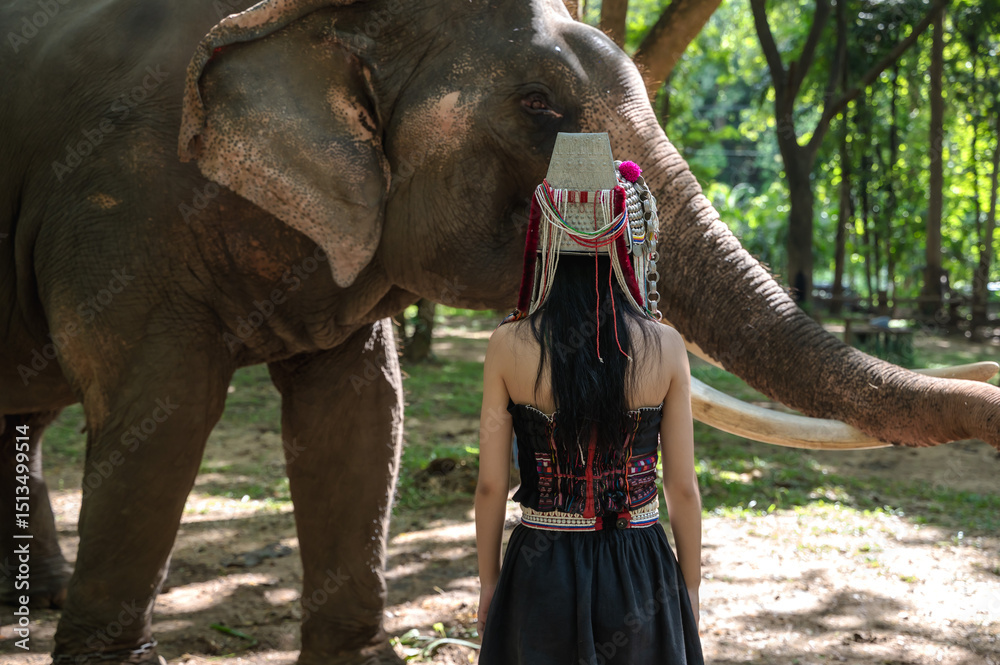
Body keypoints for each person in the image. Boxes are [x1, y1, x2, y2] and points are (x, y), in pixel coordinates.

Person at [475, 133, 704, 664]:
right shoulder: (665, 345)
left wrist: (489, 582)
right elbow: (683, 489)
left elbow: (491, 485)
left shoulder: (508, 345)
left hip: (541, 566)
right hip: (641, 568)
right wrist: (689, 587)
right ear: (626, 239)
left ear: (544, 238)